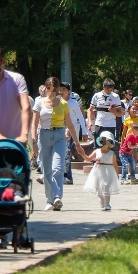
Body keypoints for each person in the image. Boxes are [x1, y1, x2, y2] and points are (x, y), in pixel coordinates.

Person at [31, 77, 87, 211]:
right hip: (44, 135)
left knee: (58, 168)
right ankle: (50, 200)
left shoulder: (63, 104)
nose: (51, 91)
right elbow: (34, 123)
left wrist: (78, 144)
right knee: (46, 170)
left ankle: (57, 198)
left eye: (54, 88)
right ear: (45, 88)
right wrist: (33, 140)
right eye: (48, 88)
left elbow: (70, 124)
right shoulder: (39, 103)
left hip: (59, 135)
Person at [84, 131, 120, 210]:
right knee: (97, 188)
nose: (105, 142)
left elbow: (115, 164)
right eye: (104, 140)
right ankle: (102, 199)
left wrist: (117, 174)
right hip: (98, 171)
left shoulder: (112, 153)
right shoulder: (97, 151)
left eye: (108, 140)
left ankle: (107, 203)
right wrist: (82, 154)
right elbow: (88, 159)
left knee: (106, 186)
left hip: (108, 171)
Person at [88, 79, 124, 144]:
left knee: (109, 146)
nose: (109, 91)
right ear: (103, 87)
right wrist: (90, 122)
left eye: (111, 89)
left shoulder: (116, 96)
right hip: (99, 124)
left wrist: (113, 111)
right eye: (108, 89)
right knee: (99, 145)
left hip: (111, 125)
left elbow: (119, 114)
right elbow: (90, 110)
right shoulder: (97, 96)